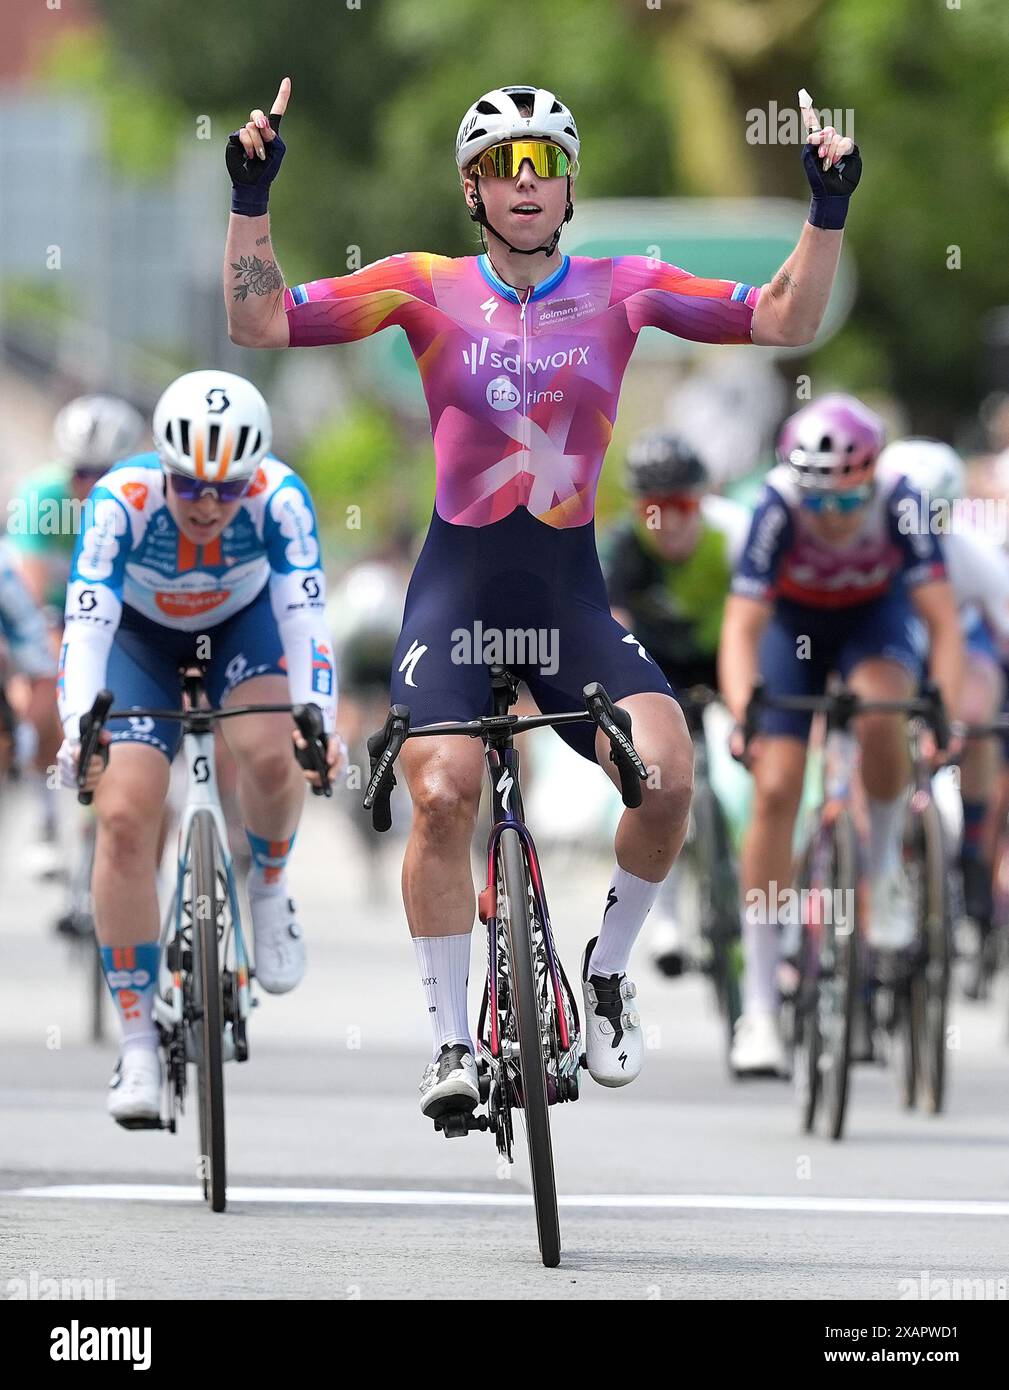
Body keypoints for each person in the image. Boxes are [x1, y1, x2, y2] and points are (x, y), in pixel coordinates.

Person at [223, 77, 861, 1117]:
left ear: (568, 187)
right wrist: (251, 200)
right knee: (440, 797)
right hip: (457, 595)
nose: (525, 182)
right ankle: (444, 1043)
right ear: (471, 190)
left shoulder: (625, 288)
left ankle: (605, 973)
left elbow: (783, 317)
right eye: (500, 166)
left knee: (664, 779)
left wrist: (824, 210)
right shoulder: (421, 286)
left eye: (544, 163)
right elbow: (259, 324)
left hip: (568, 598)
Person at [56, 370, 343, 1126]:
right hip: (139, 643)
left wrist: (322, 723)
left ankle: (271, 888)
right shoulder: (122, 500)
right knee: (123, 818)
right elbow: (86, 627)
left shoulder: (280, 499)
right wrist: (77, 729)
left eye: (228, 487)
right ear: (162, 468)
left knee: (275, 751)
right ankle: (139, 1042)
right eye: (190, 487)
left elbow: (307, 621)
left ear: (254, 474)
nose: (210, 504)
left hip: (240, 631)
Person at [719, 395, 963, 1077]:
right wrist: (745, 716)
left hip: (872, 623)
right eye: (815, 504)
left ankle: (880, 870)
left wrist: (936, 706)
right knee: (775, 787)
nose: (829, 517)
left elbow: (941, 624)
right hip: (788, 630)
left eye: (843, 503)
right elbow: (740, 630)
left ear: (872, 477)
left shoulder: (902, 500)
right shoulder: (773, 508)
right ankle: (761, 1010)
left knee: (885, 710)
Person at [602, 430, 748, 973]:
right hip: (658, 672)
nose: (669, 523)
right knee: (662, 787)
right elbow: (614, 627)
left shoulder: (729, 538)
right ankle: (665, 915)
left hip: (720, 664)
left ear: (702, 501)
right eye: (653, 510)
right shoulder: (624, 549)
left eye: (683, 506)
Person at [877, 438, 1009, 994]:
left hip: (962, 652)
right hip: (892, 652)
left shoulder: (971, 552)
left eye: (932, 515)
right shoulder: (865, 548)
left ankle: (974, 850)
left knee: (974, 717)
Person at [7, 396, 145, 874]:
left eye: (102, 474)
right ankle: (45, 818)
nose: (88, 486)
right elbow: (27, 585)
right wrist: (48, 645)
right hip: (54, 610)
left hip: (122, 610)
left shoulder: (143, 496)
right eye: (79, 474)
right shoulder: (41, 495)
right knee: (41, 701)